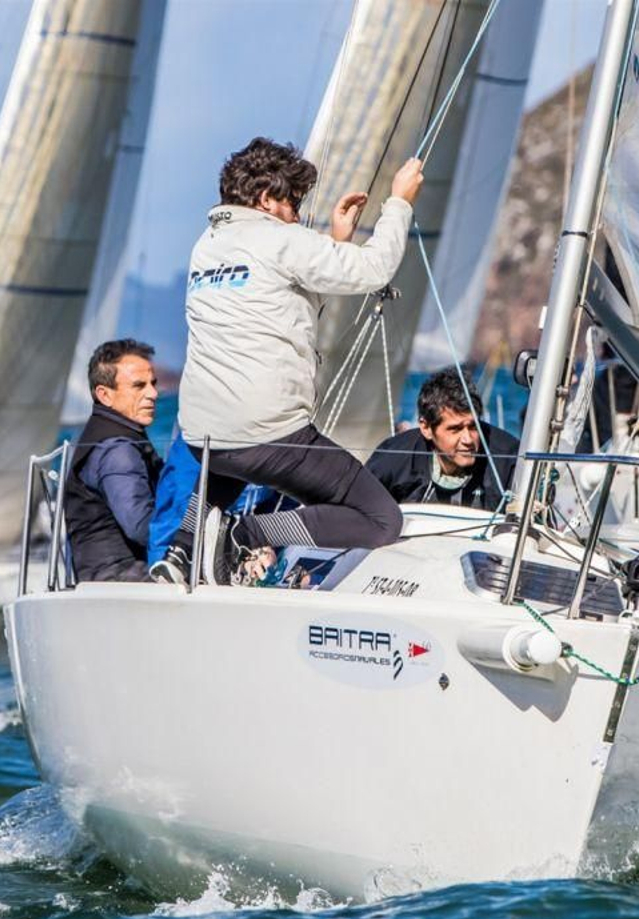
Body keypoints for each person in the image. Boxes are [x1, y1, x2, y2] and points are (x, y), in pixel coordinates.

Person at [151, 137, 423, 586]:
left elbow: (286, 302)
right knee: (379, 519)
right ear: (264, 200)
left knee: (229, 456)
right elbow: (375, 270)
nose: (297, 214)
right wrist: (398, 203)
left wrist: (336, 242)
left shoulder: (207, 246)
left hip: (204, 434)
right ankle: (245, 533)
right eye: (293, 202)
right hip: (267, 434)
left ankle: (181, 552)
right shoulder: (282, 240)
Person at [64, 339, 163, 583]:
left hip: (99, 579)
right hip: (120, 580)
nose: (153, 393)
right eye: (138, 386)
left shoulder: (103, 435)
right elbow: (140, 526)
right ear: (104, 395)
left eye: (153, 384)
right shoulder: (117, 450)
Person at [366, 367, 518, 509]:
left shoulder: (509, 458)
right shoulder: (393, 458)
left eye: (473, 426)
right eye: (455, 429)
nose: (468, 440)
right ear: (426, 428)